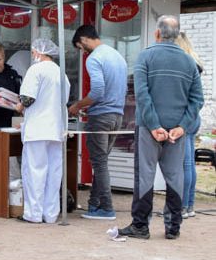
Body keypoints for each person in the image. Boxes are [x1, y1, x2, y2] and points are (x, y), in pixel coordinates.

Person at [118, 16, 203, 240]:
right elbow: (197, 99)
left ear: (157, 33)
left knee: (145, 176)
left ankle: (140, 226)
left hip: (148, 128)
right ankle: (173, 227)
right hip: (177, 131)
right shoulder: (189, 62)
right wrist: (182, 127)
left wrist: (154, 125)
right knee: (175, 177)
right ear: (177, 35)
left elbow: (142, 95)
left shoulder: (145, 56)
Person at [67, 25, 128, 220]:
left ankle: (107, 208)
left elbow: (98, 90)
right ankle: (94, 205)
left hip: (101, 117)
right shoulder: (117, 55)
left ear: (84, 40)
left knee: (99, 163)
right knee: (101, 162)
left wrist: (78, 105)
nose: (82, 52)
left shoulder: (94, 58)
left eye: (80, 47)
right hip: (117, 116)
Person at [15, 38, 70, 224]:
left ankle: (33, 214)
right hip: (56, 129)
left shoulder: (35, 70)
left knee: (35, 172)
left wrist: (18, 106)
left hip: (37, 128)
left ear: (38, 52)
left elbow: (28, 98)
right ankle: (51, 214)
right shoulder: (61, 73)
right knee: (54, 174)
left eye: (33, 52)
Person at [175, 32, 204, 219]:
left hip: (185, 117)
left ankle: (183, 206)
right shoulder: (195, 63)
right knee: (190, 163)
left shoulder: (184, 64)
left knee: (184, 163)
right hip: (195, 117)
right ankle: (190, 205)